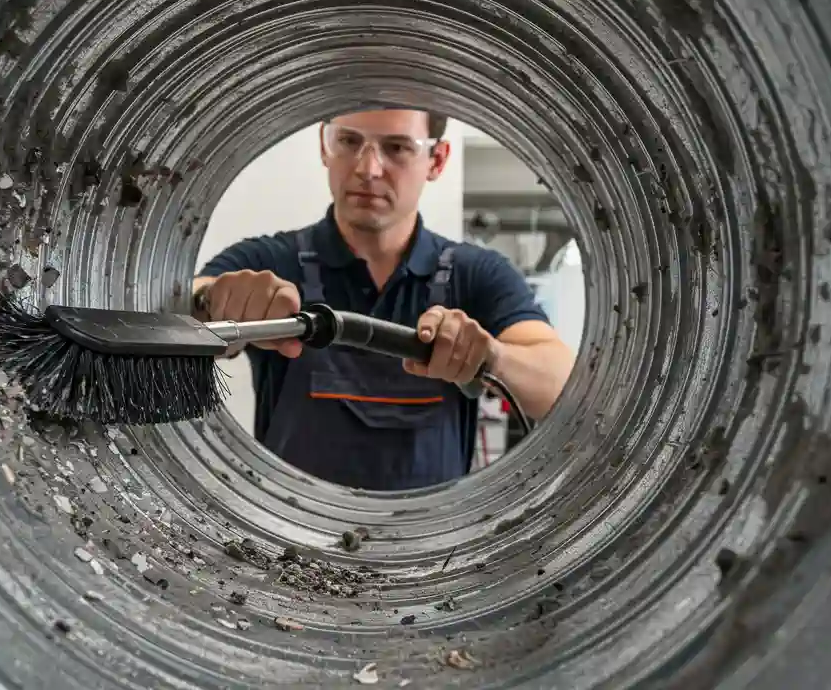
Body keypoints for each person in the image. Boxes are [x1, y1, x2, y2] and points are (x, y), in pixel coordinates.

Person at [192, 109, 575, 490]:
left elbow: (560, 385)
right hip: (289, 542)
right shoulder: (270, 261)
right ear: (325, 146)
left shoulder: (477, 274)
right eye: (349, 141)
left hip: (431, 544)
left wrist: (493, 358)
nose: (369, 169)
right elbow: (179, 310)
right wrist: (214, 302)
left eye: (397, 147)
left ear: (436, 160)